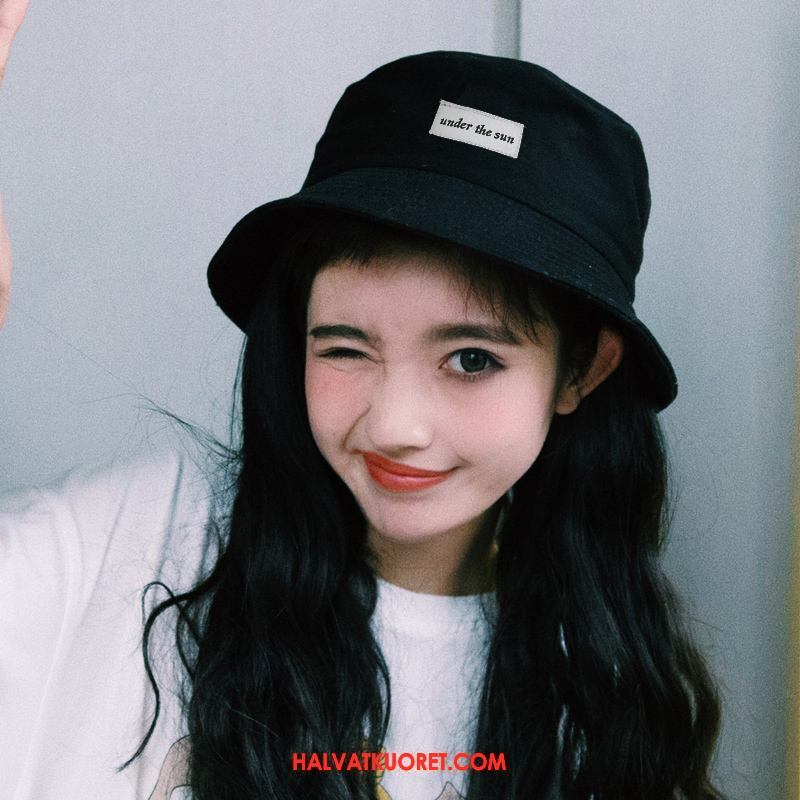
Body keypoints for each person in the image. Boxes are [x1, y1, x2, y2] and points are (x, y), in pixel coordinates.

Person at [0, 5, 724, 799]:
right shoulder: (134, 545)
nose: (395, 426)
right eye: (345, 348)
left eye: (471, 359)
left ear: (582, 369)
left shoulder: (605, 692)